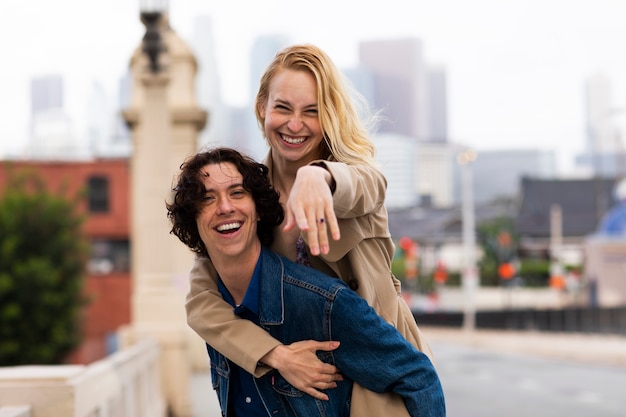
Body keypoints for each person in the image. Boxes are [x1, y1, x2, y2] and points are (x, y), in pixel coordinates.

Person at [185, 44, 434, 416]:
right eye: (283, 107)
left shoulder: (350, 175)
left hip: (378, 370)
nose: (295, 124)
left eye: (312, 112)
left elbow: (372, 184)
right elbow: (202, 301)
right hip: (306, 385)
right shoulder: (249, 196)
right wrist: (275, 355)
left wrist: (320, 177)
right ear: (262, 109)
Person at [167, 148, 445, 417]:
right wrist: (277, 356)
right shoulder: (216, 306)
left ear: (259, 209)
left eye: (237, 193)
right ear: (193, 219)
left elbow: (418, 377)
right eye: (207, 198)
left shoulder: (323, 303)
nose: (225, 207)